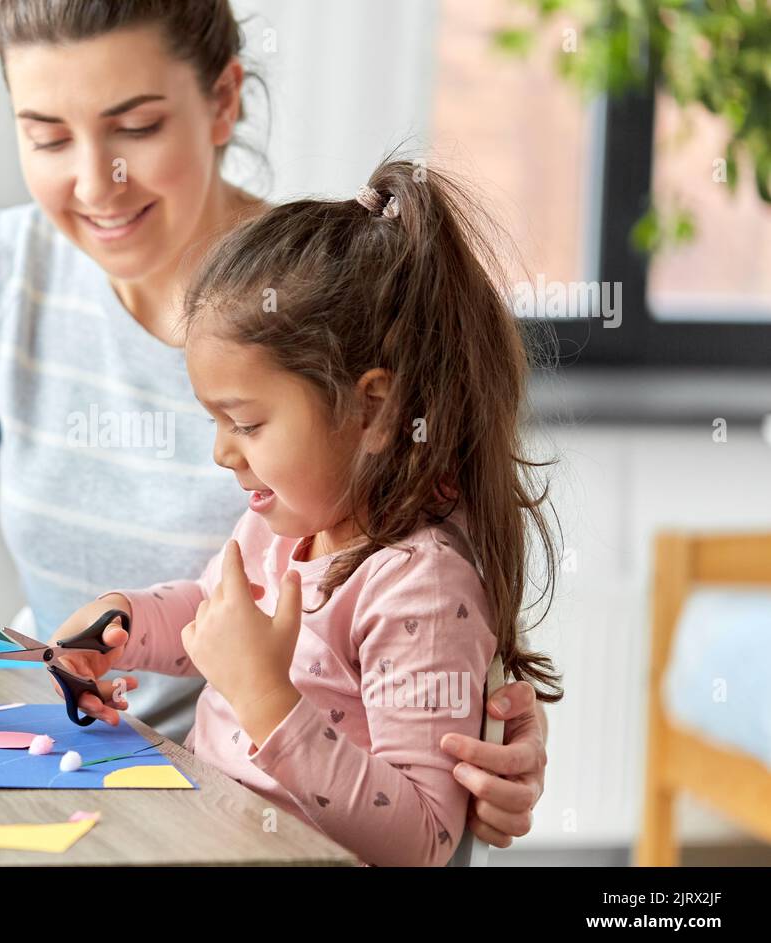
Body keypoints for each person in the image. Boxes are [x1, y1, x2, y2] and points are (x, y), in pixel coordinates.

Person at [0, 0, 551, 848]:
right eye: (49, 137)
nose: (97, 183)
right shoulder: (1, 272)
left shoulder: (331, 317)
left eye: (134, 127)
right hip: (111, 785)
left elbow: (443, 576)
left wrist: (486, 721)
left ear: (223, 101)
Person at [47, 159, 563, 864]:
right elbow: (211, 612)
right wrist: (121, 623)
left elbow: (422, 840)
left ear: (372, 408)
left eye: (247, 424)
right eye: (216, 422)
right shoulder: (280, 525)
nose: (223, 453)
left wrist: (264, 697)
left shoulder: (419, 584)